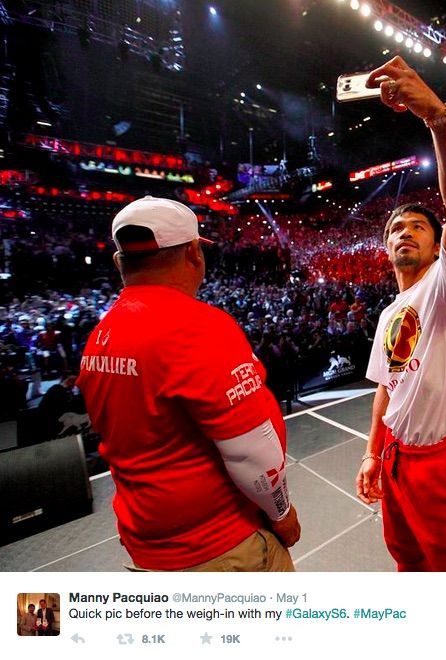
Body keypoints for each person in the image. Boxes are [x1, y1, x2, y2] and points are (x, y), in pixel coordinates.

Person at [77, 196, 300, 572]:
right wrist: (281, 513)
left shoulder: (100, 337)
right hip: (222, 546)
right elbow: (251, 451)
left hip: (149, 545)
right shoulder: (198, 326)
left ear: (119, 262)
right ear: (195, 253)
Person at [354, 56, 446, 571]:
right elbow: (386, 389)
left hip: (441, 460)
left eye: (417, 227)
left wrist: (438, 121)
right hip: (395, 456)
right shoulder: (390, 313)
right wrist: (372, 452)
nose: (404, 232)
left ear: (435, 248)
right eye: (394, 229)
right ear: (386, 249)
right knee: (407, 563)